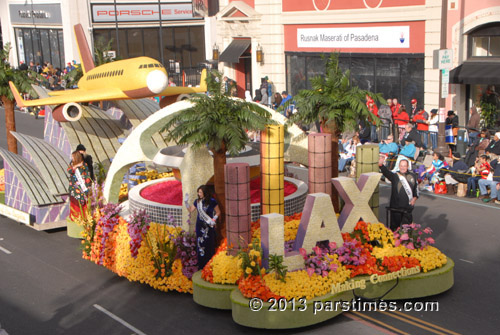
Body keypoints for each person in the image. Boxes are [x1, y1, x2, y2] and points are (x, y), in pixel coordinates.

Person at [185, 185, 221, 269]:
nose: (199, 194)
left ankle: (210, 265)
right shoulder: (197, 202)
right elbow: (190, 210)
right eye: (198, 192)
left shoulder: (212, 201)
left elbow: (218, 212)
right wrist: (186, 203)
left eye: (200, 192)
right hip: (199, 226)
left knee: (209, 244)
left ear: (205, 192)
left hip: (209, 226)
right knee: (200, 245)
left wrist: (214, 219)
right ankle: (201, 266)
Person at [379, 157, 419, 231]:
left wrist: (414, 199)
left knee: (407, 230)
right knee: (394, 229)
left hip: (407, 208)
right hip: (395, 207)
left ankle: (406, 242)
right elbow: (386, 173)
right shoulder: (395, 176)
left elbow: (416, 190)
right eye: (401, 166)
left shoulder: (413, 176)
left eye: (404, 166)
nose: (402, 167)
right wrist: (381, 165)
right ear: (399, 166)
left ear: (407, 166)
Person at [67, 151, 92, 220]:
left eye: (73, 157)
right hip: (74, 187)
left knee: (82, 203)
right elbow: (69, 170)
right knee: (74, 202)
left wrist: (87, 186)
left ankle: (83, 217)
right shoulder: (72, 164)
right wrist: (76, 166)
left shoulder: (84, 165)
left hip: (82, 187)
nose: (72, 158)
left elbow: (87, 176)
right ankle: (75, 217)